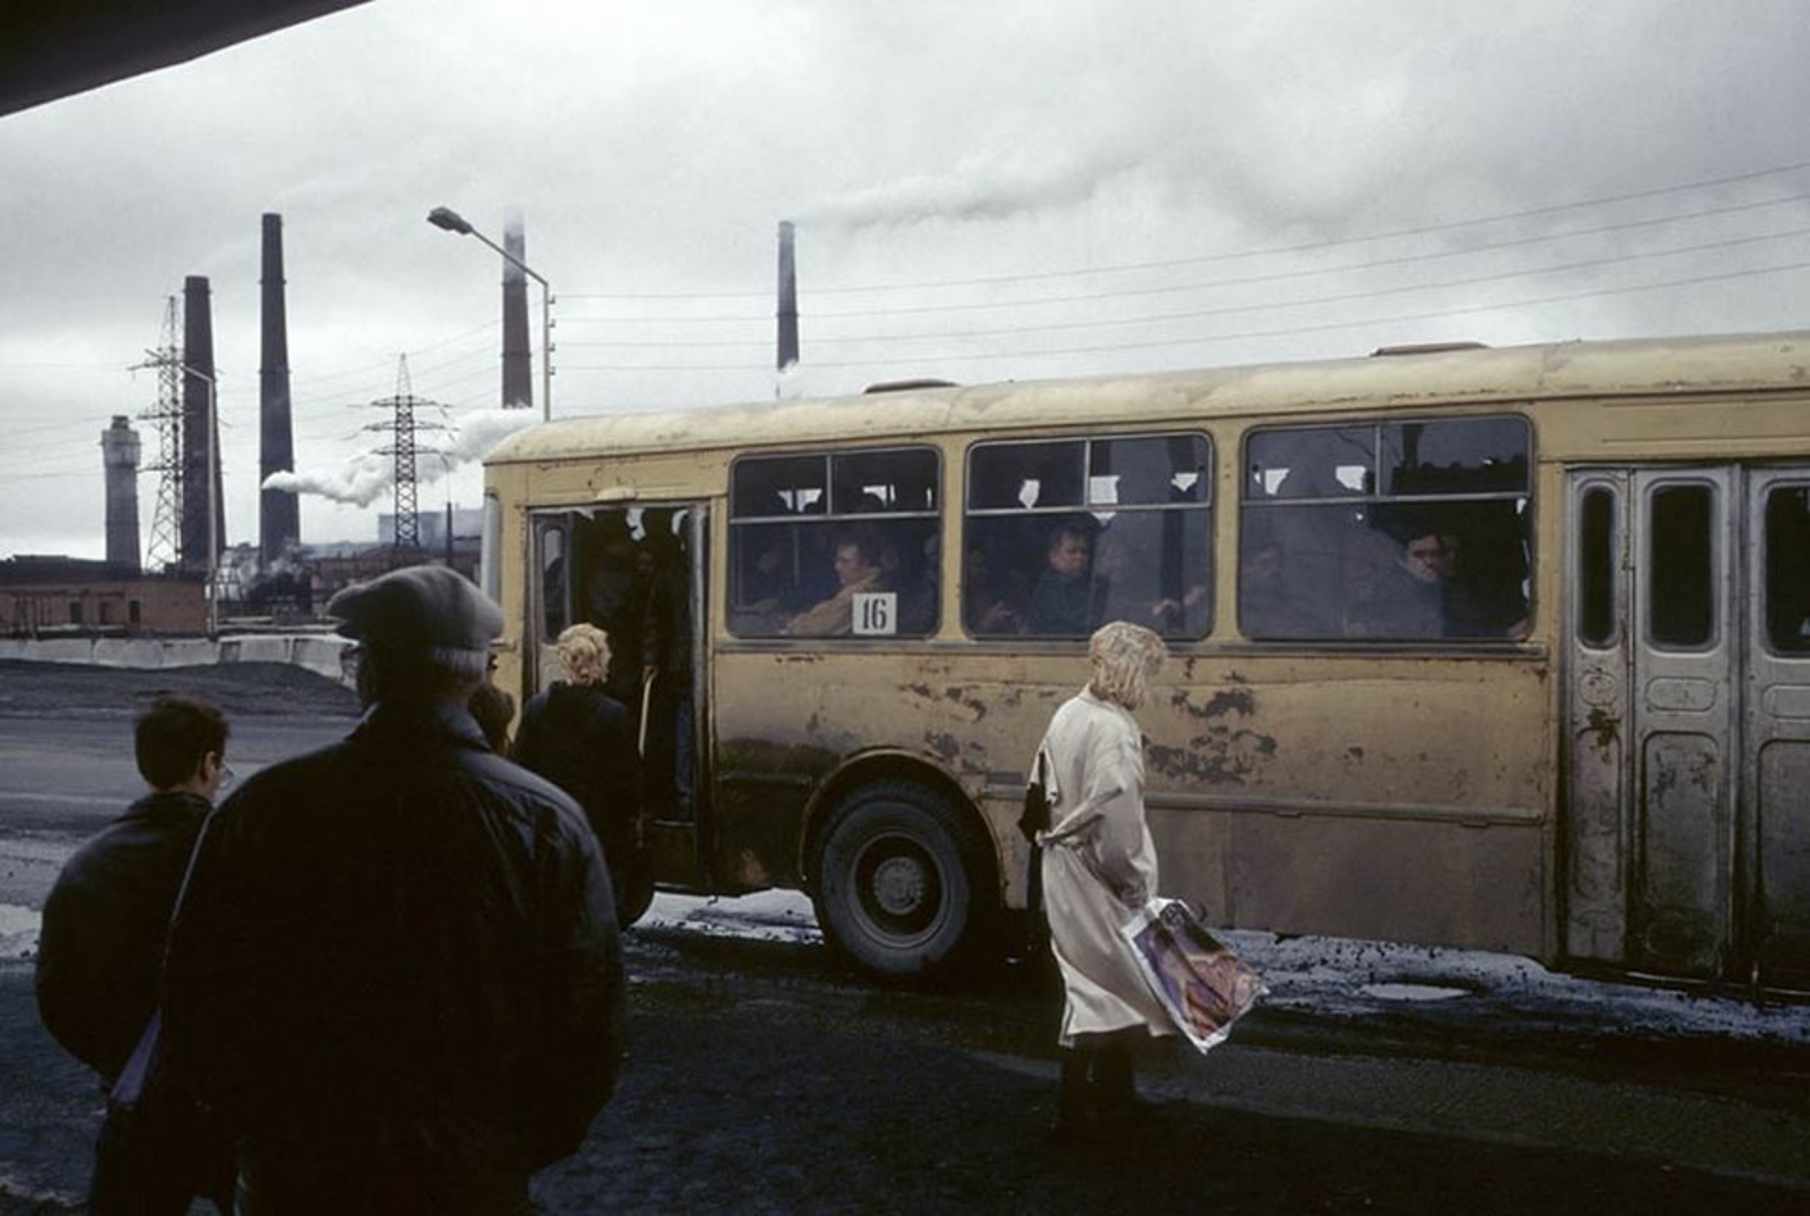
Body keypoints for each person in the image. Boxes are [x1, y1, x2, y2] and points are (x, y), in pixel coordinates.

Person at [162, 566, 623, 1214]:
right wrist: (499, 1151)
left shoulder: (263, 810)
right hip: (472, 1184)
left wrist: (265, 1137)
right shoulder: (551, 824)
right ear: (478, 675)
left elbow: (195, 1002)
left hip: (300, 1179)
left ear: (367, 671)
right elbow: (588, 1031)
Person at [36, 695, 236, 1214]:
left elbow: (56, 995)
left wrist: (120, 1059)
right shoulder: (238, 852)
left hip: (135, 1099)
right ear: (208, 764)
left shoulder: (90, 862)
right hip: (230, 1103)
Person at [1030, 621, 1176, 1143]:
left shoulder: (1069, 712)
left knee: (1098, 985)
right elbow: (1118, 819)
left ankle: (1105, 1101)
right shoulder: (1115, 729)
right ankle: (1081, 1111)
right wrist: (1133, 882)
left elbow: (1037, 791)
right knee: (1102, 990)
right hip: (1099, 875)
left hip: (1063, 868)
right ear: (1132, 671)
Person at [517, 622, 648, 921]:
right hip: (598, 832)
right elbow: (629, 784)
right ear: (601, 663)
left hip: (549, 829)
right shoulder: (614, 715)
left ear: (564, 662)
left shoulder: (537, 708)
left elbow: (521, 768)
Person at [785, 528, 887, 637]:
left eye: (845, 561)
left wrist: (793, 625)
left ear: (865, 563)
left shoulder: (859, 593)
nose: (837, 567)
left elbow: (819, 628)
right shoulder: (862, 587)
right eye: (837, 561)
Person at [1029, 520, 1095, 635]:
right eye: (1072, 551)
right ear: (1053, 556)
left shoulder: (1095, 585)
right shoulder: (1047, 589)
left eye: (1084, 552)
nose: (1079, 557)